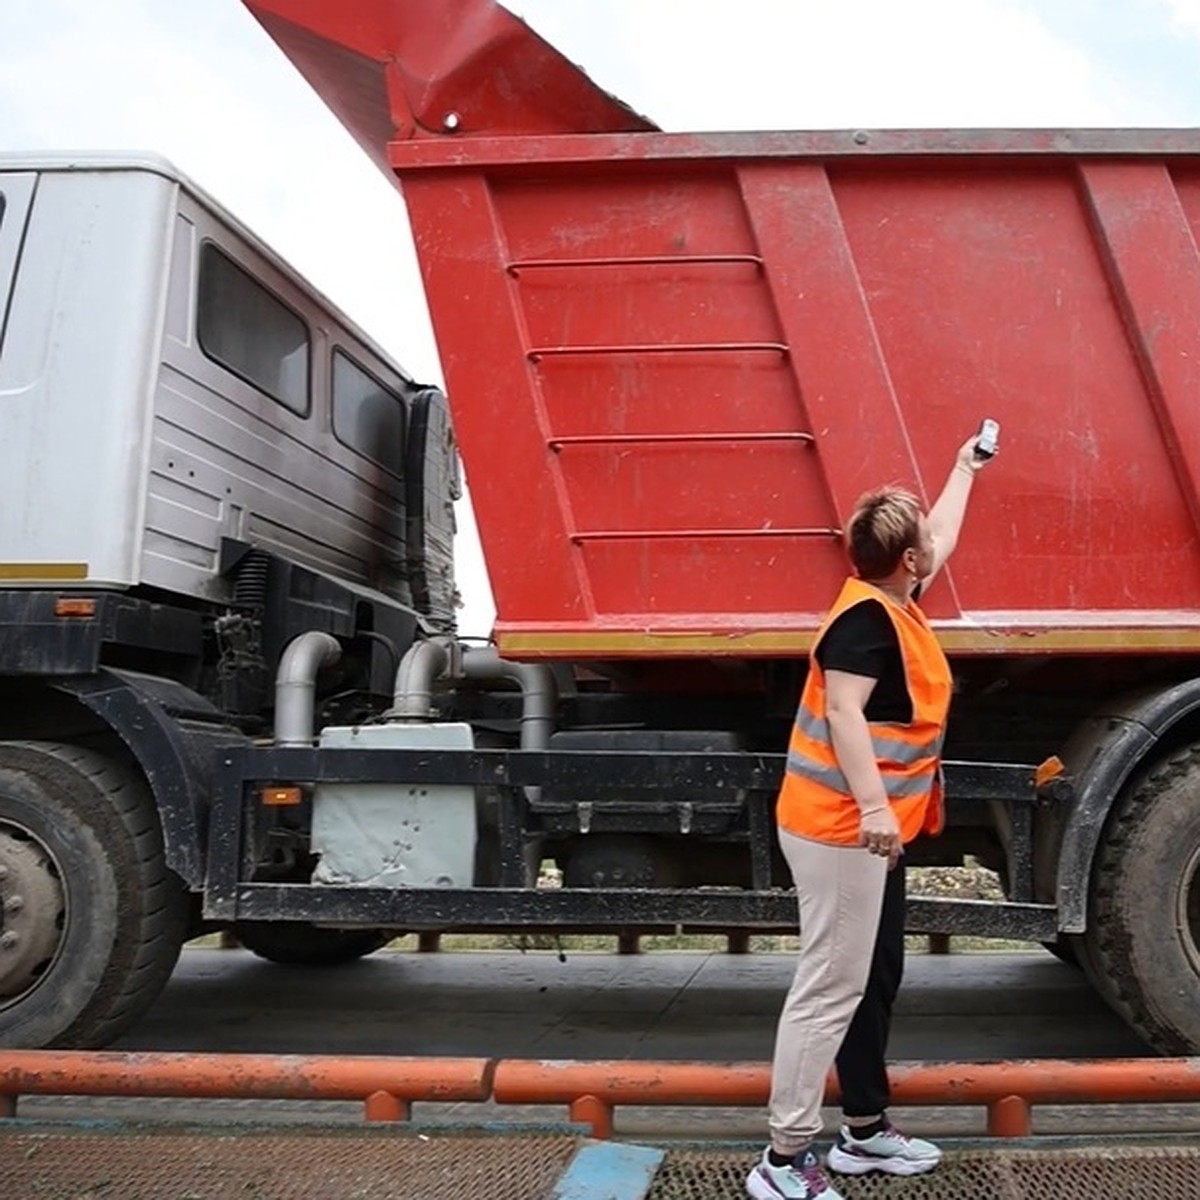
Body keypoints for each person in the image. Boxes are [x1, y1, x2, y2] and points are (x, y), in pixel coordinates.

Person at [746, 430, 996, 1200]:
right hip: (841, 831)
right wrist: (876, 808)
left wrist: (964, 468)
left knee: (873, 976)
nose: (933, 547)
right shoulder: (864, 623)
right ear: (907, 562)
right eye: (923, 543)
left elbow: (943, 535)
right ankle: (782, 1162)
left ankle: (863, 1129)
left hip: (867, 835)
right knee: (829, 986)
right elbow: (847, 717)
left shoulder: (894, 598)